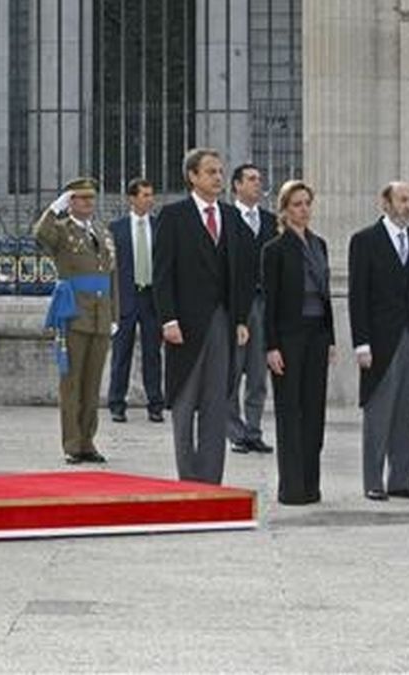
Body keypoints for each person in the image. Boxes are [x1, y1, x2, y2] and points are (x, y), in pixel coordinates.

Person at [153, 148, 252, 485]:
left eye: (220, 172)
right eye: (211, 172)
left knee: (215, 402)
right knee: (185, 401)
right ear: (192, 176)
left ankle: (211, 479)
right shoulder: (173, 216)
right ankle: (189, 476)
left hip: (222, 322)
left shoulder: (232, 217)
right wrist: (168, 320)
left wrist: (240, 320)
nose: (218, 178)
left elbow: (240, 274)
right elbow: (162, 274)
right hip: (185, 324)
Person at [349, 181, 409, 501]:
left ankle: (401, 480)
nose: (408, 206)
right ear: (385, 203)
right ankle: (374, 481)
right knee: (379, 412)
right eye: (402, 200)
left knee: (408, 413)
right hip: (379, 342)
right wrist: (361, 344)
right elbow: (358, 297)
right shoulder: (365, 241)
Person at [262, 181, 334, 505]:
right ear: (285, 209)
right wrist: (271, 346)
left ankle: (311, 485)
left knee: (314, 411)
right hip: (288, 338)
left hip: (317, 334)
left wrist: (331, 338)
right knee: (290, 411)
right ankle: (291, 488)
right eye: (296, 204)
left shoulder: (320, 244)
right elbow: (270, 303)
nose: (303, 210)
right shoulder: (274, 249)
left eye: (307, 203)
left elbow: (327, 295)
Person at [36, 177, 117, 464]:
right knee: (71, 383)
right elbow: (41, 234)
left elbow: (112, 276)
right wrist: (54, 209)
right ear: (70, 202)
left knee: (92, 383)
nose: (88, 203)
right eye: (81, 198)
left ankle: (87, 441)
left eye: (91, 198)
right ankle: (72, 444)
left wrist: (114, 314)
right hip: (74, 313)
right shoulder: (61, 230)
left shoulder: (102, 231)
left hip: (100, 315)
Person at [228, 164, 277, 454]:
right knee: (233, 371)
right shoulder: (227, 218)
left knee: (258, 374)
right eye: (251, 179)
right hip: (237, 305)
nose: (258, 184)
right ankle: (234, 432)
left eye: (260, 179)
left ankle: (254, 430)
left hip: (264, 303)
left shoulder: (271, 221)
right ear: (237, 185)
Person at [107, 178, 165, 424]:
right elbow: (110, 269)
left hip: (151, 299)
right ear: (132, 198)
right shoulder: (117, 228)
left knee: (153, 354)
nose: (149, 199)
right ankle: (117, 403)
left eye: (151, 194)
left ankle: (155, 404)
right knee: (122, 353)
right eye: (144, 195)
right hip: (126, 299)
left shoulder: (159, 226)